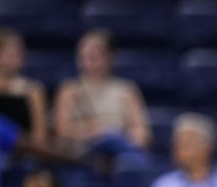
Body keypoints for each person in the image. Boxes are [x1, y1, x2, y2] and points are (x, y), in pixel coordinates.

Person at [53, 29, 151, 158]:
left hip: (119, 150)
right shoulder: (69, 90)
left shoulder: (126, 90)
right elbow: (62, 131)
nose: (88, 62)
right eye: (83, 56)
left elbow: (142, 133)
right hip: (83, 152)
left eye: (94, 57)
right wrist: (92, 132)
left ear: (109, 57)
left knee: (119, 146)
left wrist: (123, 137)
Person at [0, 29, 47, 144]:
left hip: (22, 152)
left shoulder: (33, 90)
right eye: (8, 53)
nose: (14, 58)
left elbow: (39, 135)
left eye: (18, 53)